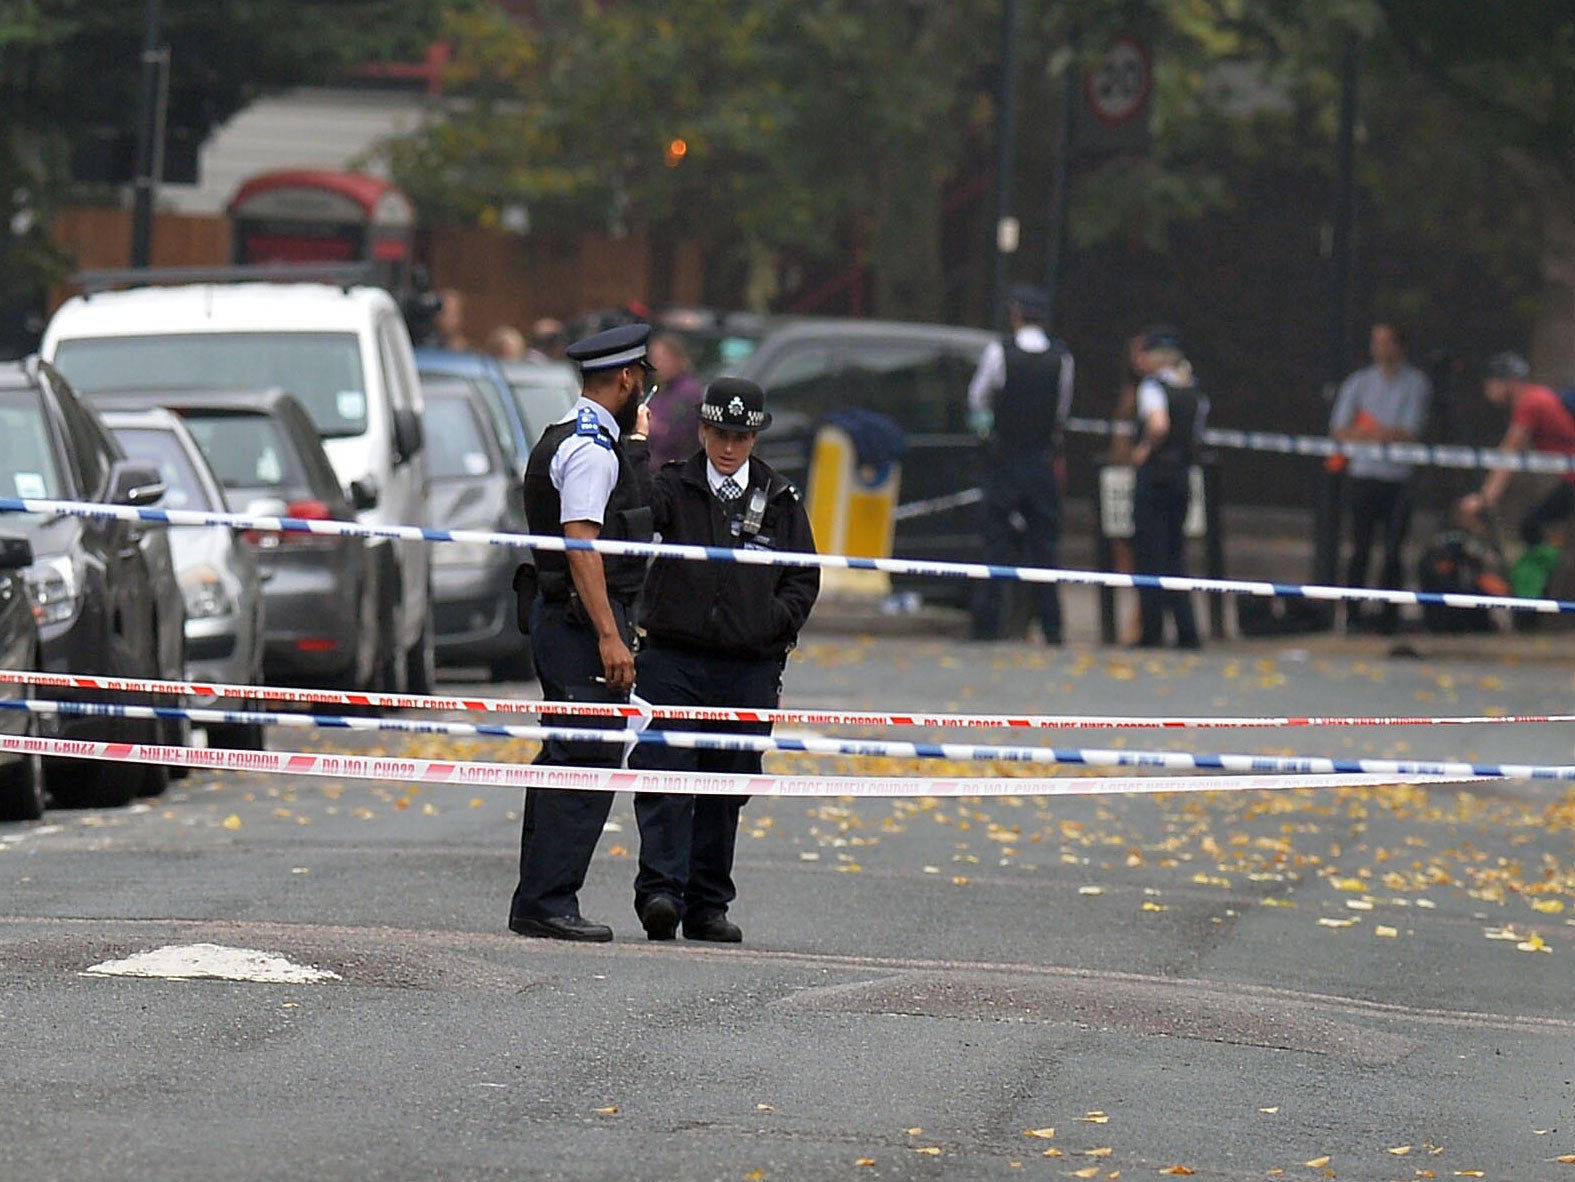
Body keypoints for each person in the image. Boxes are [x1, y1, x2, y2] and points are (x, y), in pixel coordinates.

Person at [626, 378, 820, 943]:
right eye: (719, 433)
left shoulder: (780, 499)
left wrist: (769, 624)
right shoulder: (672, 484)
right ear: (702, 431)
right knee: (664, 775)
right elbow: (633, 517)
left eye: (741, 435)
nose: (729, 447)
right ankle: (660, 892)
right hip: (673, 658)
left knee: (726, 781)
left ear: (755, 437)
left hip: (747, 665)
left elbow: (803, 577)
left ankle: (708, 904)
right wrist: (637, 448)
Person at [508, 322, 656, 942]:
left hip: (559, 616)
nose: (643, 389)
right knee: (587, 758)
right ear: (626, 379)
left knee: (565, 753)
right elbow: (583, 547)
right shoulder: (593, 451)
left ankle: (539, 897)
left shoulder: (566, 436)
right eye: (641, 380)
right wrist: (609, 635)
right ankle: (549, 902)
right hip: (578, 622)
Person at [967, 282, 1074, 643]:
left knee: (996, 542)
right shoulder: (1062, 358)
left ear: (1015, 314)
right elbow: (1060, 410)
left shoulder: (1000, 352)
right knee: (1044, 544)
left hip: (1006, 459)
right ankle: (1052, 626)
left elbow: (979, 398)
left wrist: (988, 431)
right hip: (1040, 461)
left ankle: (988, 624)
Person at [1328, 321, 1431, 634]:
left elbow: (1408, 431)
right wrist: (1377, 434)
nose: (1380, 349)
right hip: (1364, 475)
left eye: (1387, 342)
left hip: (1397, 479)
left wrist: (1368, 433)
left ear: (1399, 346)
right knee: (1359, 548)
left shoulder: (1416, 384)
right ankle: (1353, 616)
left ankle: (1389, 618)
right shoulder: (1359, 383)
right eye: (1376, 342)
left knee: (1393, 549)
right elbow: (1340, 429)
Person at [1458, 351, 1575, 600]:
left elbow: (1508, 452)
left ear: (1509, 381)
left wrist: (1485, 497)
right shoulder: (1537, 399)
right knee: (1532, 525)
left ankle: (1543, 582)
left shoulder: (1531, 402)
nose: (1488, 390)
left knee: (1530, 525)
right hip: (1570, 481)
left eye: (1492, 382)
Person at [1130, 325, 1208, 650]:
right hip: (1181, 476)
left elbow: (1158, 423)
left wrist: (1145, 448)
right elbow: (1196, 433)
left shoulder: (1153, 386)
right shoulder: (1193, 388)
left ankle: (1152, 633)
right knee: (1176, 555)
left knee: (1150, 555)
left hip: (1156, 476)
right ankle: (1187, 631)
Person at [644, 332, 706, 465]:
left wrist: (650, 427)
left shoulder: (687, 393)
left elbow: (675, 436)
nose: (656, 364)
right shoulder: (661, 390)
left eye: (662, 359)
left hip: (676, 469)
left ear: (677, 359)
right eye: (653, 359)